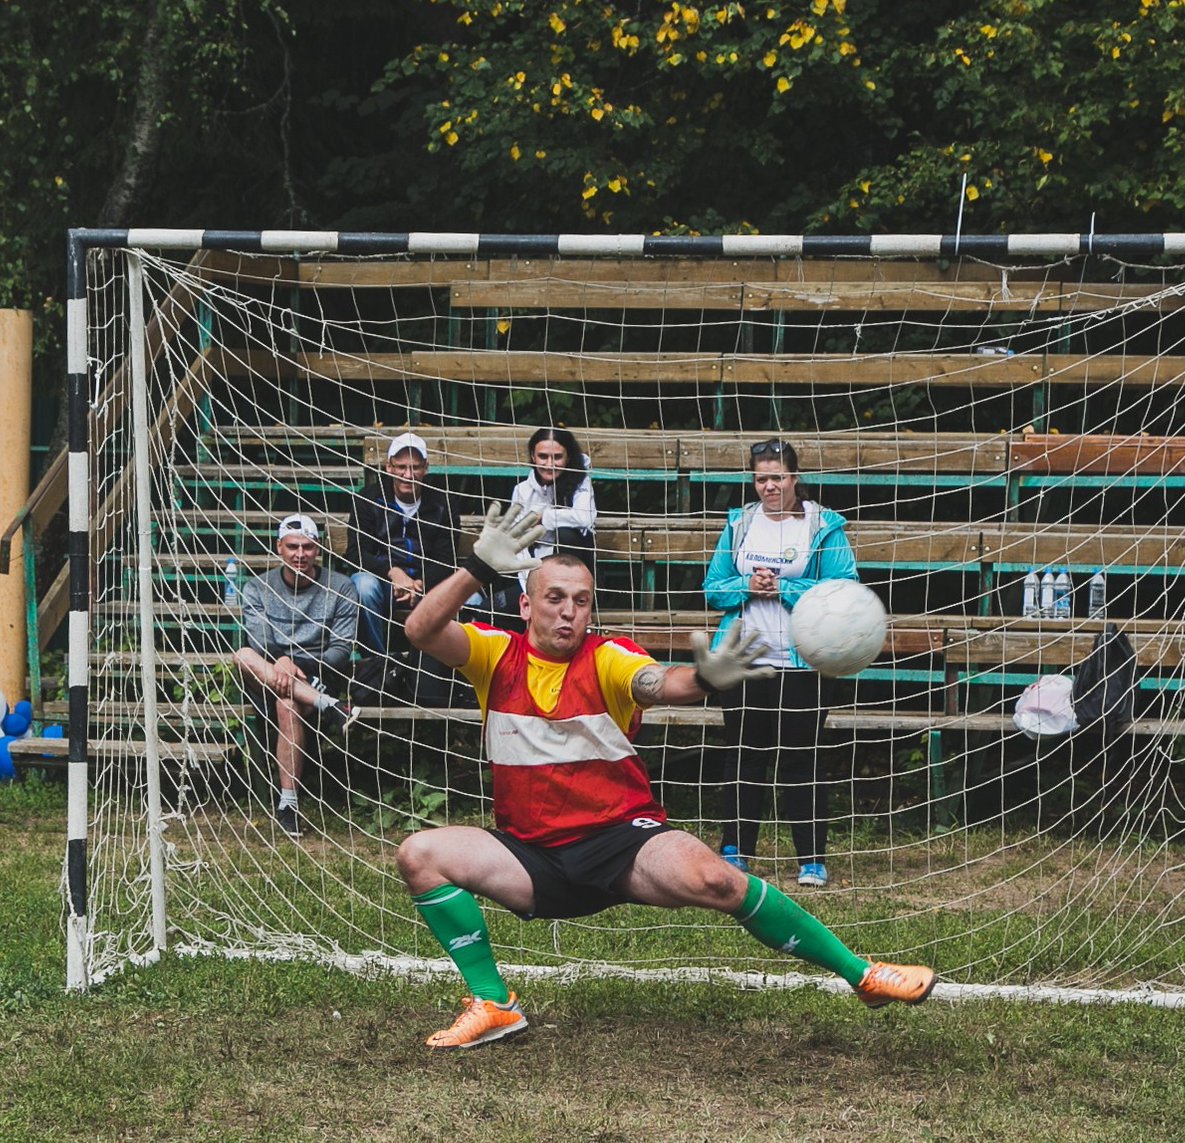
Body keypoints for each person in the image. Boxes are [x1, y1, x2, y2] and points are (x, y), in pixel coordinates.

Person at [392, 502, 933, 1049]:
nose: (568, 613)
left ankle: (861, 974)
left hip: (619, 841)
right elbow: (420, 629)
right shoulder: (494, 653)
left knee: (719, 879)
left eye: (581, 602)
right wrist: (478, 567)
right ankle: (494, 1003)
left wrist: (706, 678)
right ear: (526, 603)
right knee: (420, 855)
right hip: (529, 854)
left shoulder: (609, 657)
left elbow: (659, 683)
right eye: (554, 599)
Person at [702, 439, 860, 888]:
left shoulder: (822, 526)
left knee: (800, 760)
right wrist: (747, 584)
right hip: (742, 660)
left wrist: (784, 591)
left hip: (803, 661)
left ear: (795, 478)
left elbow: (843, 589)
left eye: (777, 477)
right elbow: (712, 588)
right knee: (743, 756)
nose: (769, 486)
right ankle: (735, 851)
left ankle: (811, 860)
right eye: (760, 478)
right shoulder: (740, 524)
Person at [233, 515, 363, 835]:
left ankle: (288, 804)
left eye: (307, 546)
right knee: (243, 656)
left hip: (319, 675)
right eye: (292, 546)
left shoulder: (341, 586)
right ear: (279, 547)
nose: (300, 554)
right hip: (268, 673)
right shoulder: (257, 587)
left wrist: (296, 666)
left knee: (287, 706)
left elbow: (341, 649)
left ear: (317, 548)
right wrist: (281, 661)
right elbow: (259, 642)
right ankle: (331, 706)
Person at [343, 432, 460, 699]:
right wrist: (392, 573)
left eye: (415, 467)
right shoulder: (367, 498)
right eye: (401, 467)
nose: (408, 474)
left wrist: (420, 584)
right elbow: (356, 552)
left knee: (472, 598)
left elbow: (447, 557)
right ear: (388, 467)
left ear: (426, 469)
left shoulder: (443, 502)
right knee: (362, 586)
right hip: (385, 582)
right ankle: (378, 665)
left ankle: (446, 675)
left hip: (429, 584)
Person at [500, 426, 596, 606]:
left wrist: (544, 516)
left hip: (576, 576)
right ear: (533, 456)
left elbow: (584, 518)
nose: (549, 464)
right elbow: (518, 542)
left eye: (557, 457)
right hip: (532, 574)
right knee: (494, 606)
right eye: (543, 456)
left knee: (567, 533)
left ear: (568, 458)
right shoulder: (522, 490)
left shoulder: (581, 482)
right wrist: (530, 584)